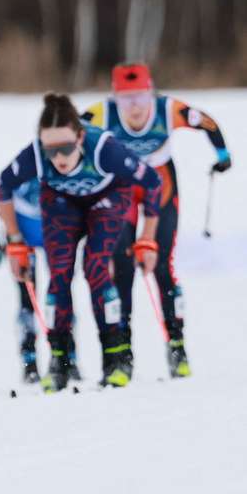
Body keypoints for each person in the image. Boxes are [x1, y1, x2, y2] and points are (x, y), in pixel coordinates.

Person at [0, 93, 162, 392]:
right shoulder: (35, 154)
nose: (59, 158)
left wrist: (147, 237)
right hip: (62, 202)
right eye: (51, 150)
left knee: (95, 267)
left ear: (80, 137)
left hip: (107, 199)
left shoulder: (104, 149)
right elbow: (1, 188)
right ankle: (60, 360)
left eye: (67, 148)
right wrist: (15, 240)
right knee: (59, 274)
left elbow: (151, 181)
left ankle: (116, 357)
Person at [82, 62, 231, 378]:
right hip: (121, 189)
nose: (134, 107)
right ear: (114, 98)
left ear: (151, 93)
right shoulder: (101, 113)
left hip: (161, 184)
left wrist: (222, 156)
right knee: (121, 267)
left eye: (140, 97)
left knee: (162, 265)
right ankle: (122, 354)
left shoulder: (168, 108)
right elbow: (71, 138)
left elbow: (207, 123)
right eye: (126, 99)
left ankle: (177, 346)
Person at [0, 180, 80, 384]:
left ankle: (68, 360)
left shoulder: (61, 169)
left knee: (61, 296)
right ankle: (30, 364)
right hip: (23, 238)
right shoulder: (24, 169)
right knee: (27, 299)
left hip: (54, 235)